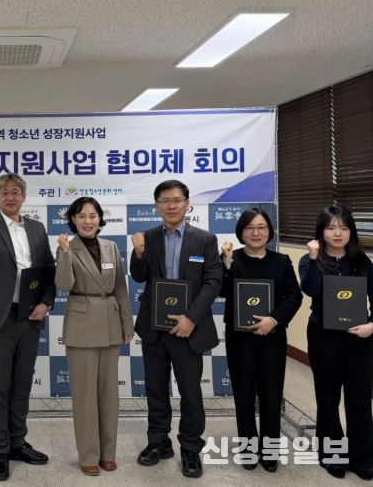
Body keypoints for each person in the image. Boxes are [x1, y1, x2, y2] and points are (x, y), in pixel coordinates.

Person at [0, 172, 56, 481]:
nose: (10, 197)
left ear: (24, 197)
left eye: (16, 192)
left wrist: (46, 303)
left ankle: (18, 442)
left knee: (22, 385)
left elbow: (49, 270)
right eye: (4, 193)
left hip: (30, 316)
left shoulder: (37, 228)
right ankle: (0, 450)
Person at [129, 179, 222, 479]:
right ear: (156, 206)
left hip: (188, 329)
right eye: (165, 201)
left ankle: (191, 448)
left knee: (191, 392)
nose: (171, 205)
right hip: (154, 329)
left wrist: (191, 318)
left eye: (177, 200)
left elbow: (213, 282)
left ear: (187, 204)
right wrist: (138, 253)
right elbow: (139, 276)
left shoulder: (205, 239)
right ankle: (158, 442)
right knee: (155, 389)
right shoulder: (147, 237)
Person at [55, 196, 133, 476]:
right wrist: (65, 252)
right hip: (82, 325)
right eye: (81, 216)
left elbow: (121, 288)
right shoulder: (67, 247)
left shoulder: (110, 246)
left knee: (109, 395)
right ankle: (89, 455)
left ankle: (108, 453)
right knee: (85, 396)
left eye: (92, 216)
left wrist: (127, 324)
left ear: (100, 219)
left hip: (111, 324)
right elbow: (64, 284)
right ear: (73, 220)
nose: (88, 221)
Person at [219, 208, 302, 473]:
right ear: (241, 231)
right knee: (243, 394)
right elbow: (221, 291)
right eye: (249, 228)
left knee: (271, 394)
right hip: (239, 338)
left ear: (269, 231)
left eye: (261, 227)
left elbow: (294, 296)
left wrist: (274, 319)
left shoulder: (281, 261)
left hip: (272, 337)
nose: (256, 233)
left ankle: (270, 451)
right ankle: (248, 448)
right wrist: (227, 264)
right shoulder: (231, 258)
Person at [299, 205, 373, 481]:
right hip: (323, 336)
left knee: (359, 397)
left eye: (343, 227)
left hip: (359, 337)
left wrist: (371, 326)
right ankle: (333, 454)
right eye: (331, 228)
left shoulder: (362, 262)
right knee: (327, 397)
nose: (338, 233)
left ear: (351, 231)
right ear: (321, 232)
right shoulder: (310, 260)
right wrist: (314, 258)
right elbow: (310, 289)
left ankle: (362, 457)